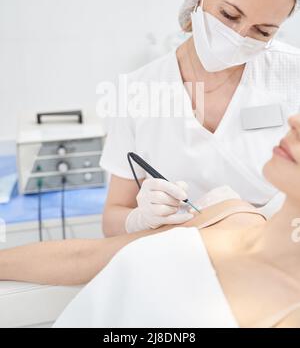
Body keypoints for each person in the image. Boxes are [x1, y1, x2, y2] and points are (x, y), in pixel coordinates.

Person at [1, 114, 300, 328]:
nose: (295, 122)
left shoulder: (288, 313)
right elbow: (83, 256)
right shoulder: (230, 214)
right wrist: (137, 219)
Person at [100, 0, 300, 236]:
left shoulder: (292, 72)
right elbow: (112, 221)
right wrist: (139, 219)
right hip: (180, 257)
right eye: (229, 15)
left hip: (270, 251)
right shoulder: (137, 90)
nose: (239, 37)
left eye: (262, 32)